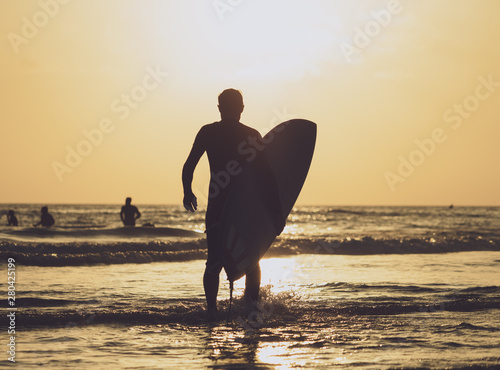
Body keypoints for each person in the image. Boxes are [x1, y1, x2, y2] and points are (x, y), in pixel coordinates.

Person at [182, 88, 284, 320]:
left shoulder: (207, 132)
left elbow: (189, 165)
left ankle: (211, 311)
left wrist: (187, 192)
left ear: (219, 108)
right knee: (253, 261)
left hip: (218, 205)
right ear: (241, 108)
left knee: (214, 261)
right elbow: (266, 177)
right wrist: (276, 212)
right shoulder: (251, 135)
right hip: (246, 208)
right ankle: (252, 308)